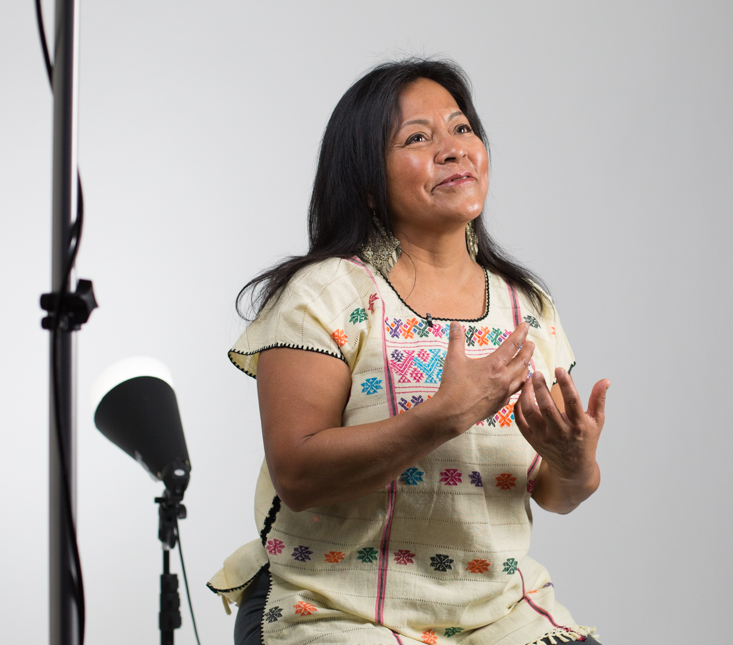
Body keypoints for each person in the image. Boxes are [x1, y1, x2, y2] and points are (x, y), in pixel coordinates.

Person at [205, 59, 608, 645]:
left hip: (498, 615)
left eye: (462, 128)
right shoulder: (324, 293)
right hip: (335, 607)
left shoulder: (527, 306)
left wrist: (574, 463)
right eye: (418, 138)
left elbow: (553, 492)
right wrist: (440, 417)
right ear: (368, 184)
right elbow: (296, 473)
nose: (453, 149)